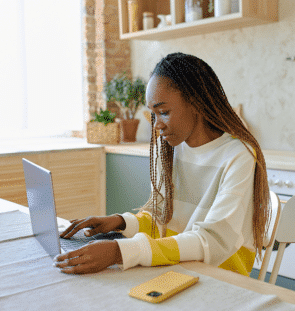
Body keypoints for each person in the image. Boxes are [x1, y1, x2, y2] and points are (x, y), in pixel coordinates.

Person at [54, 52, 271, 276]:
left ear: (196, 102)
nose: (157, 125)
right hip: (176, 268)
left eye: (164, 112)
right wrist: (120, 222)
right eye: (153, 115)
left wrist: (119, 251)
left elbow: (213, 242)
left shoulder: (238, 155)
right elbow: (162, 219)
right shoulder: (170, 150)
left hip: (221, 277)